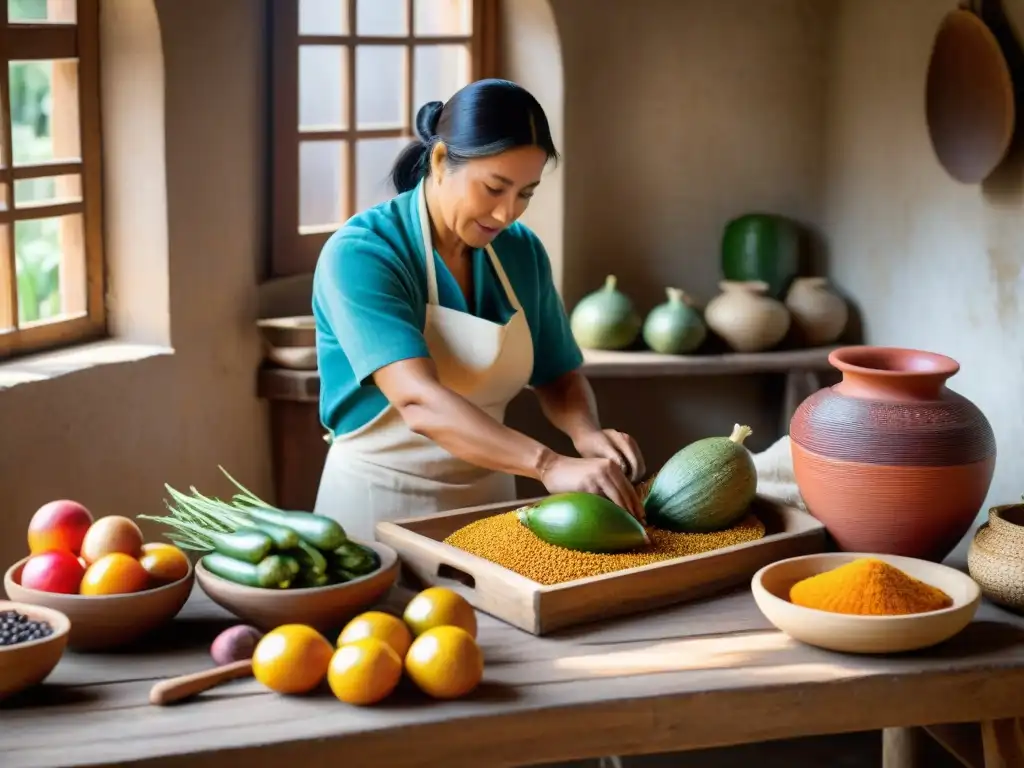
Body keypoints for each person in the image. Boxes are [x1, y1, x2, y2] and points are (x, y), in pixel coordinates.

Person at [310, 78, 646, 542]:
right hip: (376, 509)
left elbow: (558, 374)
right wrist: (547, 464)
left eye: (525, 193)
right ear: (442, 160)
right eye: (494, 188)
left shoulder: (521, 252)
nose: (508, 213)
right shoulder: (363, 254)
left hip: (491, 510)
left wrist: (585, 433)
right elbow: (418, 402)